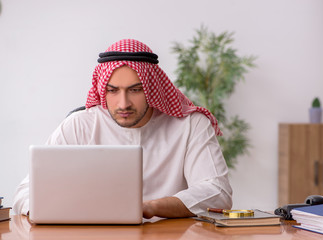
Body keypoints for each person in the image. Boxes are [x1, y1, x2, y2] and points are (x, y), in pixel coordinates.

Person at [13, 39, 233, 219]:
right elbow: (26, 192)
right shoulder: (80, 125)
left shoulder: (191, 124)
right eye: (113, 91)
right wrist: (56, 212)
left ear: (151, 88)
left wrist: (150, 208)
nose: (123, 103)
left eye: (135, 90)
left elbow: (217, 191)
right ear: (102, 90)